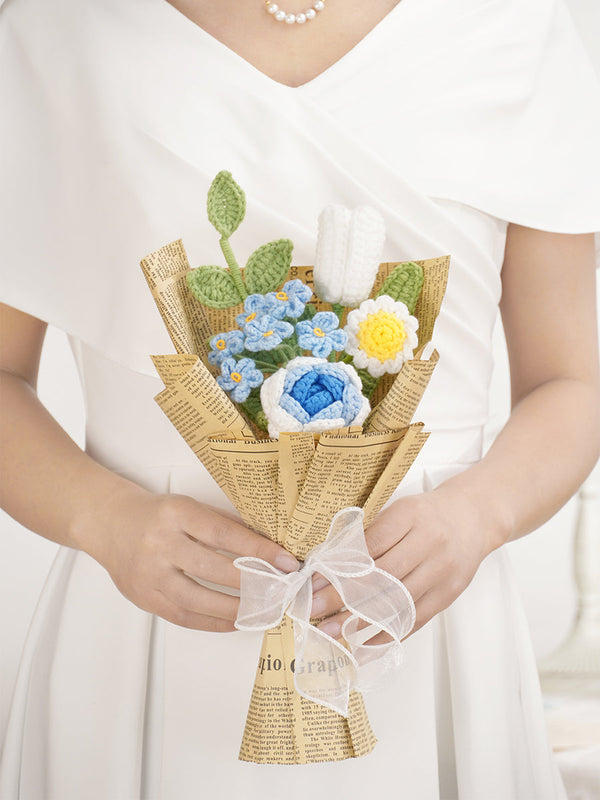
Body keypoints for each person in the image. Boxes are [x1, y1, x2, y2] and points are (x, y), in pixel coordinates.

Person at [1, 0, 599, 797]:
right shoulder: (56, 29)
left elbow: (573, 381)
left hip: (422, 617)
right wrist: (102, 520)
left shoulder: (517, 26)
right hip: (141, 624)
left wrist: (476, 516)